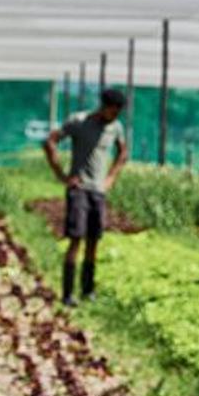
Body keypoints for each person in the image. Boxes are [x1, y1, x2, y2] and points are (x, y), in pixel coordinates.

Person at [42, 88, 130, 305]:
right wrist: (62, 175)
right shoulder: (79, 122)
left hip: (98, 191)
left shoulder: (115, 128)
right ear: (104, 106)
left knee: (93, 241)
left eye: (119, 112)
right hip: (79, 189)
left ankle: (88, 290)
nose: (115, 115)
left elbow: (123, 153)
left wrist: (110, 179)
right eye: (113, 111)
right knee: (76, 239)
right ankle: (68, 293)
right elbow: (50, 141)